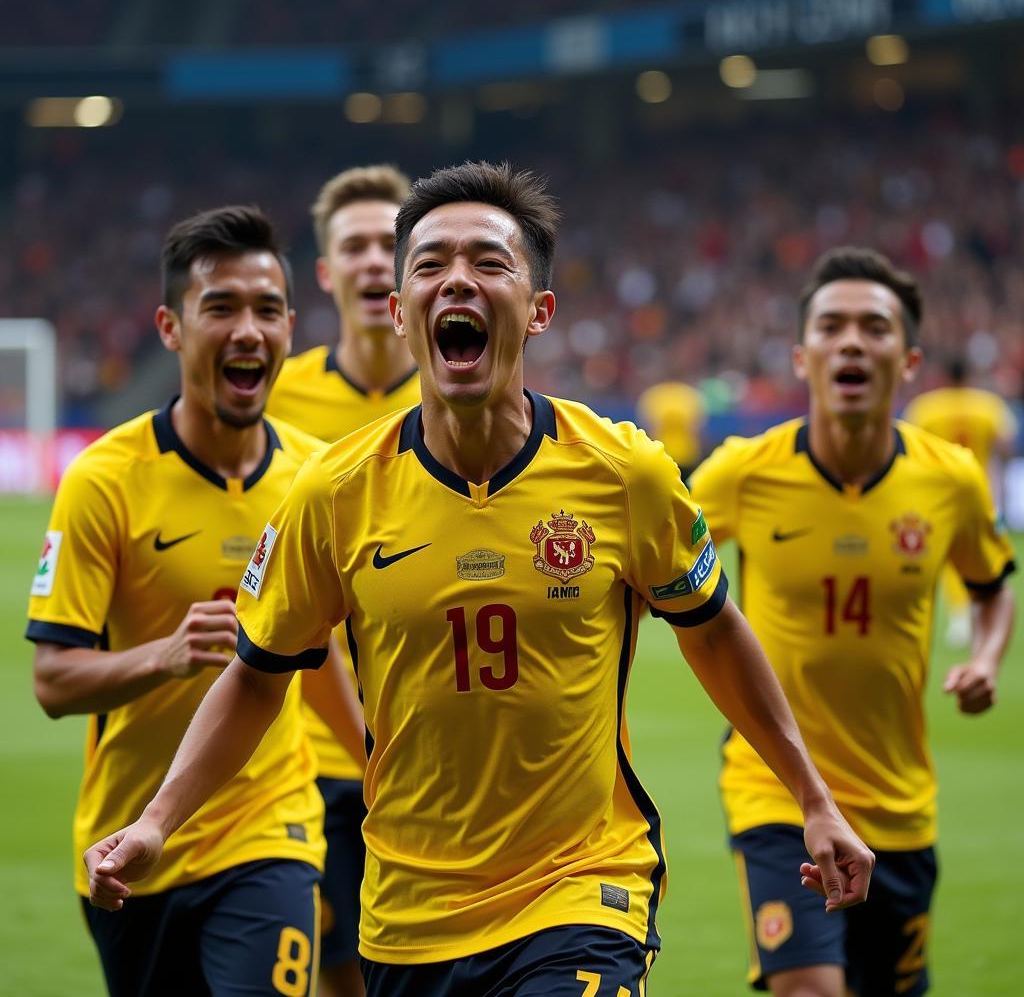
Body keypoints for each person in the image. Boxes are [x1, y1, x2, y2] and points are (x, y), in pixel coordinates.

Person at [83, 163, 873, 997]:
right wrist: (158, 823)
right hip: (409, 913)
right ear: (399, 312)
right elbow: (256, 676)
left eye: (489, 263)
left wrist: (811, 798)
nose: (456, 278)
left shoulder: (624, 473)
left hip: (579, 891)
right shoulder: (334, 493)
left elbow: (713, 629)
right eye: (428, 265)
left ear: (539, 311)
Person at [28, 206, 362, 997]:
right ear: (172, 330)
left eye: (268, 310)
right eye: (221, 308)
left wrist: (377, 767)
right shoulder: (104, 480)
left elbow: (313, 658)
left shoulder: (317, 482)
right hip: (130, 842)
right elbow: (53, 681)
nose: (248, 330)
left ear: (288, 327)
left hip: (270, 831)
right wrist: (166, 655)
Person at [689, 247, 1017, 997]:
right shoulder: (744, 472)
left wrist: (989, 659)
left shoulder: (950, 480)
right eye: (831, 327)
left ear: (908, 361)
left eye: (874, 328)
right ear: (802, 358)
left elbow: (993, 585)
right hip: (776, 788)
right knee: (809, 988)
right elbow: (645, 560)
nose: (852, 343)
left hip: (899, 804)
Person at [265, 164, 418, 997]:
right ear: (324, 272)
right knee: (334, 978)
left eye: (386, 245)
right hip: (306, 755)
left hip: (427, 750)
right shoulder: (273, 402)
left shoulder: (463, 397)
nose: (370, 262)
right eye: (351, 246)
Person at [903, 357, 1019, 645]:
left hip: (937, 492)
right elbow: (1006, 444)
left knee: (942, 552)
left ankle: (959, 615)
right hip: (980, 489)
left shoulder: (926, 406)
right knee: (981, 554)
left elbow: (907, 446)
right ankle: (978, 611)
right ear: (969, 375)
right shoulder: (988, 405)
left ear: (943, 375)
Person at [635, 379, 707, 480]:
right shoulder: (689, 395)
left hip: (669, 456)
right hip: (673, 457)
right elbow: (697, 429)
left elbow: (647, 428)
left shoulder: (654, 395)